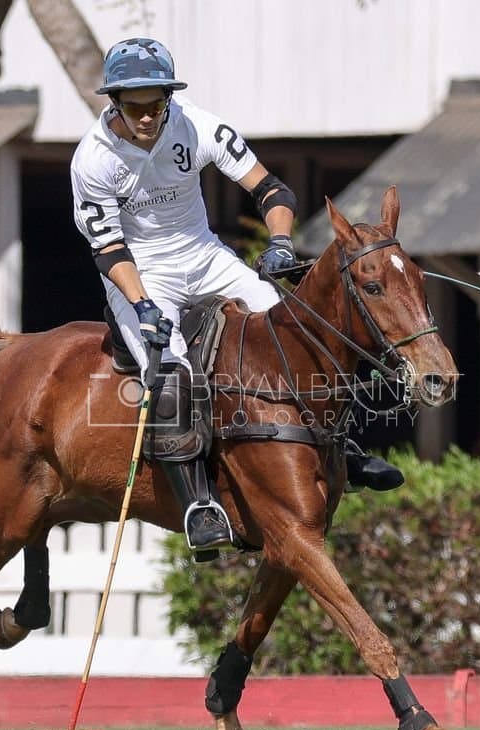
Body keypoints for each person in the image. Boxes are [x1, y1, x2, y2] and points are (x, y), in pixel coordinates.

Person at [70, 38, 402, 559]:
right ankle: (199, 507)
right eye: (135, 107)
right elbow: (108, 249)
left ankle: (346, 450)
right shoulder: (93, 159)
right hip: (139, 270)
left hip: (205, 255)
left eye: (156, 104)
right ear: (114, 102)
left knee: (297, 328)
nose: (148, 117)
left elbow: (272, 190)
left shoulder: (196, 125)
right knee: (171, 375)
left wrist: (280, 243)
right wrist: (142, 305)